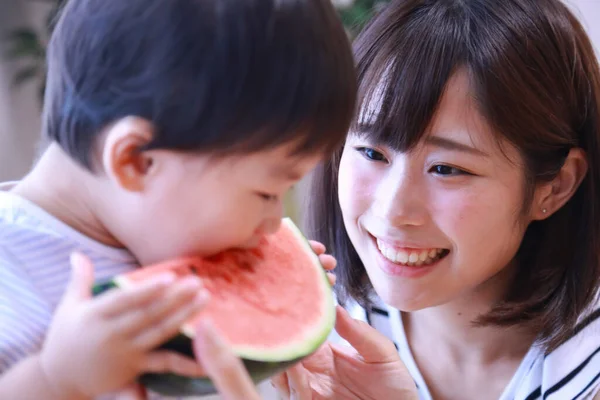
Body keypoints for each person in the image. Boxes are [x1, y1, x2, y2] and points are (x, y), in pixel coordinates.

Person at [0, 0, 356, 398]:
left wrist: (270, 293)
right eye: (267, 193)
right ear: (137, 161)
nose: (275, 225)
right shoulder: (9, 271)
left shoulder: (149, 222)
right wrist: (54, 380)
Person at [272, 0, 600, 399]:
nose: (393, 211)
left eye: (447, 169)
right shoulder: (331, 338)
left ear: (555, 186)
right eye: (373, 154)